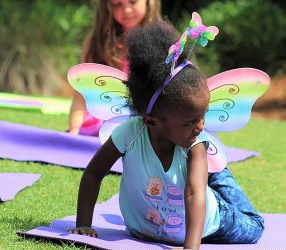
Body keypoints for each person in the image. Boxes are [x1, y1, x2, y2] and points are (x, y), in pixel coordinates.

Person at [69, 20, 265, 250]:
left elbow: (193, 194)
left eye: (203, 116)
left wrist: (191, 247)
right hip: (144, 229)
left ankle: (218, 174)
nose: (201, 126)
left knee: (255, 227)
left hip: (210, 221)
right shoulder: (130, 133)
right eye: (190, 121)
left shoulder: (196, 144)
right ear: (152, 121)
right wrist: (83, 224)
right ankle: (213, 173)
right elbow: (93, 173)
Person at [68, 0, 162, 135]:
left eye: (133, 1)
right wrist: (74, 130)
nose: (127, 10)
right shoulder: (97, 43)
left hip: (142, 123)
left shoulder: (160, 41)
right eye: (117, 4)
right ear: (106, 6)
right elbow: (81, 95)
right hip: (99, 123)